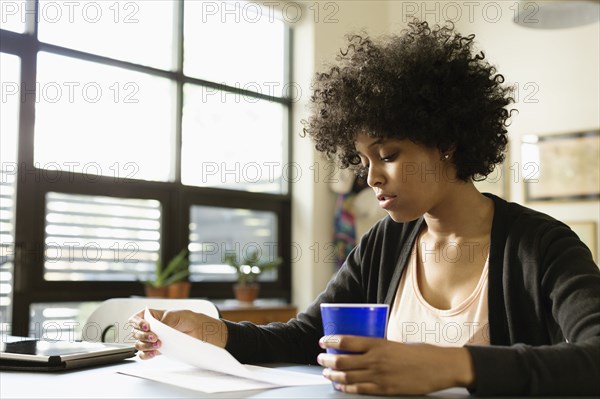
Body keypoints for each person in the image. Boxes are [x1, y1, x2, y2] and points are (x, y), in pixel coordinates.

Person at [129, 20, 600, 396]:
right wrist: (216, 333)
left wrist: (453, 365)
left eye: (389, 155)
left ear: (448, 143)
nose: (372, 177)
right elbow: (304, 336)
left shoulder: (542, 246)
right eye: (363, 160)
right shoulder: (385, 241)